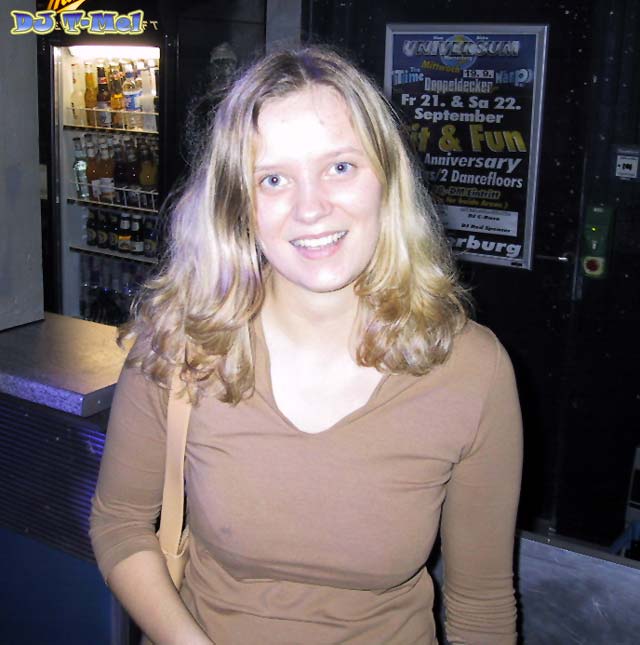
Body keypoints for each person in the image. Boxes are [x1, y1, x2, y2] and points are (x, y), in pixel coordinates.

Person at [89, 45, 523, 645]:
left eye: (340, 167)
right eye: (273, 179)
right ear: (239, 206)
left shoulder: (472, 370)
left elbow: (482, 607)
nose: (312, 208)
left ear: (387, 178)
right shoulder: (182, 345)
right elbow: (120, 524)